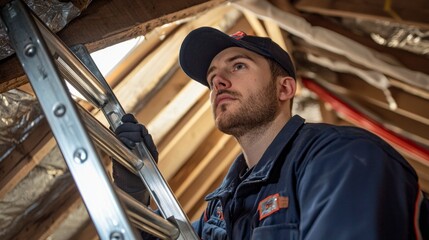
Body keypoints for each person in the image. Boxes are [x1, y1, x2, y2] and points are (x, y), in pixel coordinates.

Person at [113, 26, 429, 239]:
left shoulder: (345, 160)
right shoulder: (221, 206)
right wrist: (136, 189)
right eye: (212, 78)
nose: (219, 82)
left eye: (237, 66)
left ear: (284, 88)